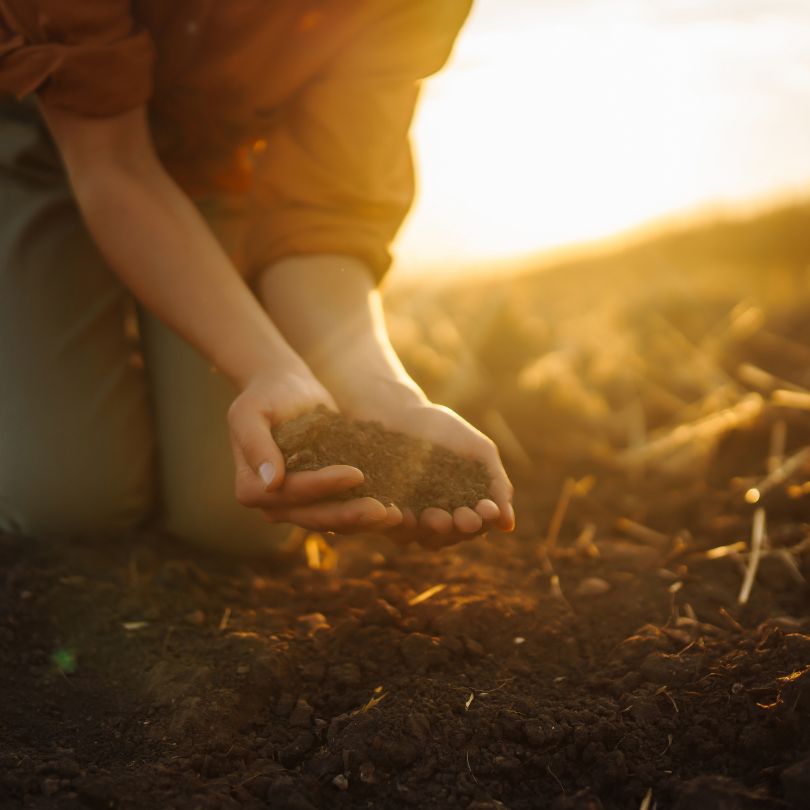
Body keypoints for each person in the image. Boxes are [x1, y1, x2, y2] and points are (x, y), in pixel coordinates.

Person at [0, 1, 514, 554]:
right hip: (48, 140)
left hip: (214, 166)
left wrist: (381, 393)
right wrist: (264, 361)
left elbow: (320, 223)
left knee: (242, 511)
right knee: (66, 500)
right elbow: (112, 163)